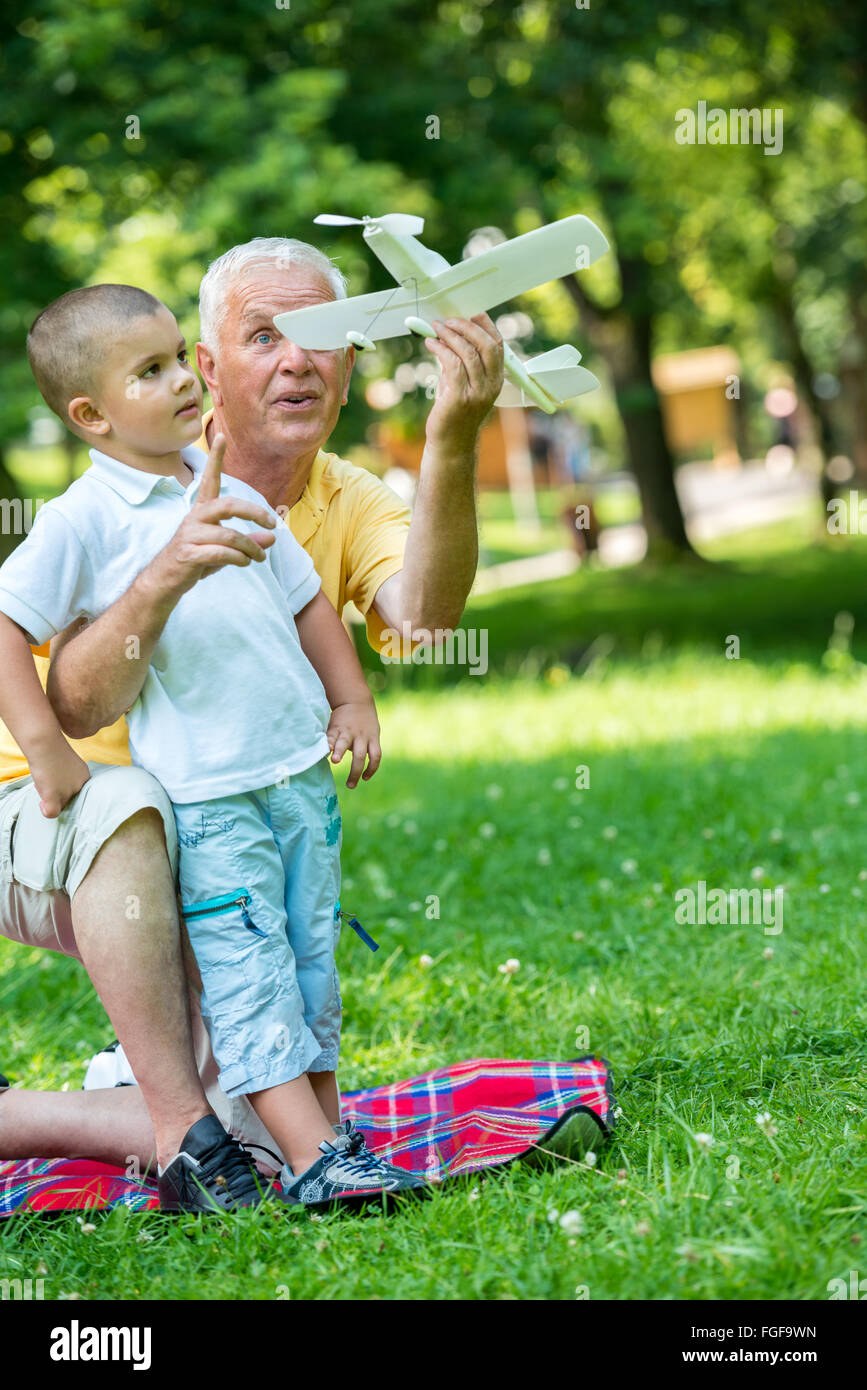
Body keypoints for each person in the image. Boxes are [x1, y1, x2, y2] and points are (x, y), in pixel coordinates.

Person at [0, 237, 504, 1205]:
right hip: (63, 817)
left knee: (293, 1017)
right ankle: (133, 1114)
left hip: (234, 817)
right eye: (262, 335)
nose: (297, 359)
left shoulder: (306, 496)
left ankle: (251, 1116)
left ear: (351, 372)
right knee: (142, 816)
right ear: (208, 366)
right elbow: (72, 699)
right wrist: (165, 574)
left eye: (322, 339)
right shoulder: (103, 513)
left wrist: (452, 433)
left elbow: (415, 620)